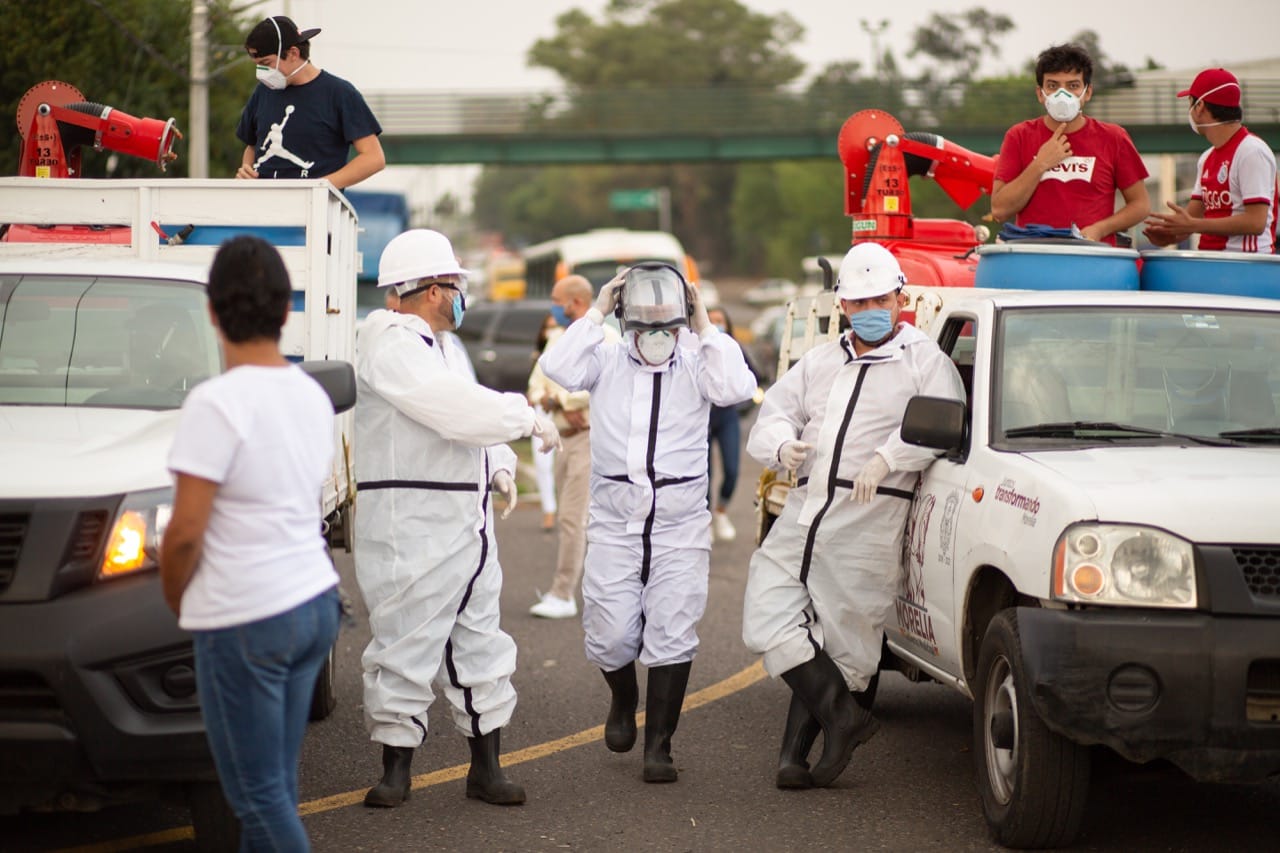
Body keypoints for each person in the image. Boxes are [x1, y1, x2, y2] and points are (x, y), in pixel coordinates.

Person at [741, 242, 965, 791]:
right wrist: (780, 448)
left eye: (879, 298)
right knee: (765, 614)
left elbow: (945, 423)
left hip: (870, 513)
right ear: (841, 304)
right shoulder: (821, 360)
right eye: (857, 300)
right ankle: (846, 719)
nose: (869, 308)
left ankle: (796, 757)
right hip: (807, 505)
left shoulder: (924, 361)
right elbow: (774, 411)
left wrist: (890, 459)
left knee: (846, 644)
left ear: (900, 298)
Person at [353, 228, 562, 808]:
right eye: (454, 284)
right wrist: (520, 418)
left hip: (464, 522)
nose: (461, 294)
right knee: (405, 643)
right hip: (411, 523)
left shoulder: (442, 347)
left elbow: (465, 403)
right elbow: (451, 410)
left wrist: (496, 465)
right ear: (428, 290)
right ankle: (395, 771)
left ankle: (486, 768)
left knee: (479, 642)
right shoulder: (389, 342)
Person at [159, 235, 341, 850]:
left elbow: (184, 534)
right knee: (274, 787)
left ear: (212, 311)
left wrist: (177, 600)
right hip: (313, 601)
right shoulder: (310, 395)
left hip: (247, 617)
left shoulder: (216, 402)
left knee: (256, 798)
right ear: (287, 310)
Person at [540, 263, 755, 783]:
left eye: (669, 323)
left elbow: (736, 387)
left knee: (672, 629)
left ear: (682, 318)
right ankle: (623, 696)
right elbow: (558, 366)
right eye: (645, 324)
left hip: (679, 524)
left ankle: (659, 745)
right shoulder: (606, 358)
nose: (656, 336)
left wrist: (705, 325)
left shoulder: (697, 360)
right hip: (616, 521)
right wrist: (596, 311)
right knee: (610, 635)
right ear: (625, 319)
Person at [526, 275, 622, 619]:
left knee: (572, 518)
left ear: (575, 302)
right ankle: (595, 590)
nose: (553, 307)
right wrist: (557, 400)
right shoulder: (559, 340)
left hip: (589, 439)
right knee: (581, 520)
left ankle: (563, 592)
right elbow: (536, 386)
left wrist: (563, 399)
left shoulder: (606, 338)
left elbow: (601, 384)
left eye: (556, 299)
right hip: (563, 440)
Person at [991, 43, 1150, 246]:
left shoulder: (1114, 137)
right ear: (1040, 94)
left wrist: (1100, 229)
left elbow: (1141, 204)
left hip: (1092, 257)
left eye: (1073, 86)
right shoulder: (1018, 136)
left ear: (1088, 92)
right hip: (1033, 256)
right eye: (1053, 85)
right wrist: (1040, 164)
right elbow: (999, 210)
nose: (1062, 94)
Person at [235, 15, 385, 189]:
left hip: (316, 210)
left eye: (266, 63)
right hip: (264, 207)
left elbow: (373, 158)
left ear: (293, 53)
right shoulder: (262, 92)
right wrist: (246, 170)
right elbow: (252, 147)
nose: (261, 72)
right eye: (257, 64)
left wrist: (321, 187)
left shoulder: (340, 94)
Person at [1143, 68, 1278, 254]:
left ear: (1199, 106)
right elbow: (1191, 220)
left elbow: (1255, 222)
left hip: (1246, 266)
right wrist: (1169, 235)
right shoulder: (1206, 158)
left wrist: (1194, 225)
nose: (1189, 111)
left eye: (1190, 103)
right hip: (1210, 260)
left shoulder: (1252, 151)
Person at [705, 305, 759, 543]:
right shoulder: (697, 350)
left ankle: (721, 511)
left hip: (727, 417)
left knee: (732, 470)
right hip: (702, 419)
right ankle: (704, 519)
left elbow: (755, 380)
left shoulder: (736, 350)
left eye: (720, 321)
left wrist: (742, 406)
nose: (717, 325)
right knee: (703, 474)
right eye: (712, 320)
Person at [529, 314, 560, 534]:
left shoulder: (566, 353)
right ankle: (549, 510)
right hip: (542, 411)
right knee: (543, 464)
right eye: (547, 327)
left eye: (554, 327)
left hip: (563, 410)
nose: (551, 331)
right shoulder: (537, 357)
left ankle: (568, 510)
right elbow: (532, 389)